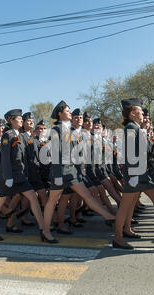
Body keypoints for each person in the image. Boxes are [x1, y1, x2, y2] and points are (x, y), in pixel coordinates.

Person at [41, 101, 115, 243]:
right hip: (61, 172)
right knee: (52, 201)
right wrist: (56, 176)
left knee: (87, 196)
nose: (70, 113)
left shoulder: (69, 130)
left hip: (72, 172)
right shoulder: (57, 130)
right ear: (60, 114)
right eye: (67, 111)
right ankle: (45, 231)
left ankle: (109, 216)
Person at [112, 99, 154, 250]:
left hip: (142, 174)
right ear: (133, 113)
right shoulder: (130, 128)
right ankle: (118, 237)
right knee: (125, 207)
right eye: (140, 111)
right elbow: (131, 154)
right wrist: (134, 175)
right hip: (136, 175)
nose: (143, 114)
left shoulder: (135, 128)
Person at [0, 109, 45, 241]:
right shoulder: (7, 135)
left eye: (21, 118)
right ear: (11, 121)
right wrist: (8, 177)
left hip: (20, 175)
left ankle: (43, 229)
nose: (21, 120)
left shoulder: (19, 135)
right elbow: (6, 158)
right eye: (18, 118)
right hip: (8, 176)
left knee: (33, 197)